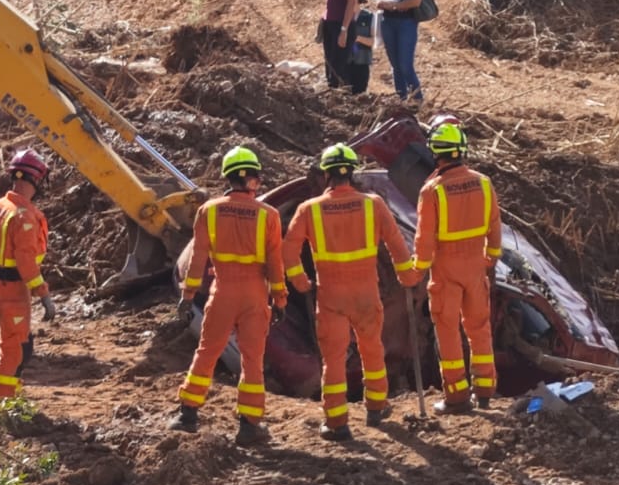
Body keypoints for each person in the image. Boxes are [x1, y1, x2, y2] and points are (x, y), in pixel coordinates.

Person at [283, 142, 420, 440]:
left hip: (330, 296)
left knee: (333, 359)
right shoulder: (373, 204)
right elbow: (397, 245)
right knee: (372, 349)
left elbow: (288, 252)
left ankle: (336, 422)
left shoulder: (310, 209)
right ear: (352, 172)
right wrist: (407, 275)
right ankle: (376, 407)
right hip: (366, 294)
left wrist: (300, 282)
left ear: (326, 175)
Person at [171, 146, 287, 446]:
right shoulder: (269, 215)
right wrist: (281, 299)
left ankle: (187, 414)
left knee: (207, 351)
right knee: (252, 359)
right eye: (257, 178)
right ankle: (249, 425)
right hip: (254, 295)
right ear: (250, 179)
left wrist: (187, 295)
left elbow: (198, 258)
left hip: (221, 291)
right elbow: (275, 263)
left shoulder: (209, 210)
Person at [411, 122, 502, 414]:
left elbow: (424, 239)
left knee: (448, 332)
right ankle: (485, 391)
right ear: (462, 149)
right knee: (479, 329)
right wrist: (490, 260)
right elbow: (495, 228)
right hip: (476, 267)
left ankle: (456, 397)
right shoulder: (484, 183)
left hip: (446, 270)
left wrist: (417, 270)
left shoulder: (432, 191)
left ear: (435, 152)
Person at [0, 149, 56, 401]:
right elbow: (26, 262)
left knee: (21, 344)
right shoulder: (24, 217)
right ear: (36, 180)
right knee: (14, 350)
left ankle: (12, 396)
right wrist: (44, 294)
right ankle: (4, 405)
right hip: (12, 292)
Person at [377, 0, 425, 103]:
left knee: (405, 65)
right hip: (388, 23)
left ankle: (418, 101)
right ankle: (401, 100)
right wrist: (382, 4)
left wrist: (394, 6)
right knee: (395, 66)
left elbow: (416, 0)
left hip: (406, 23)